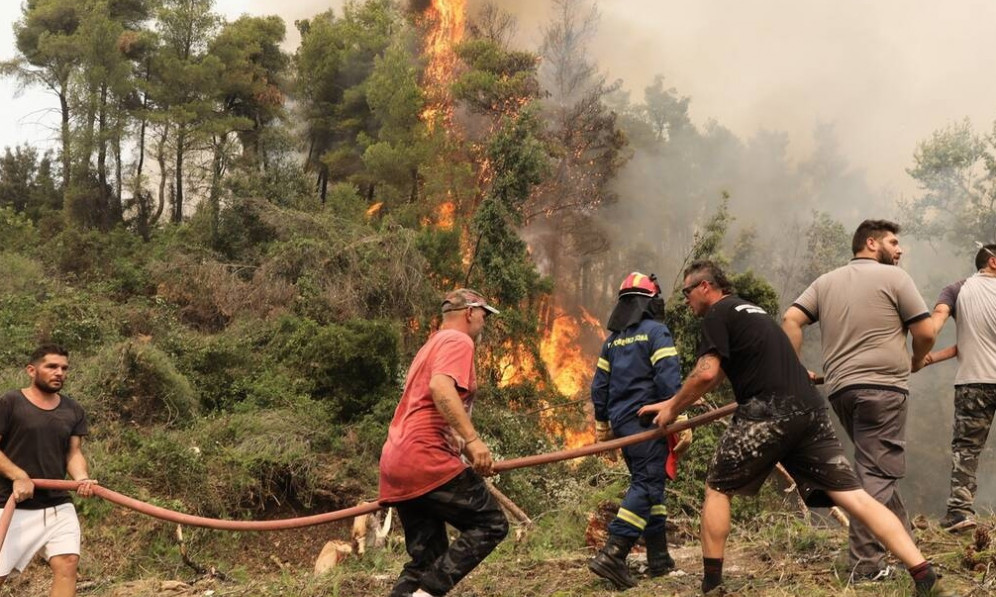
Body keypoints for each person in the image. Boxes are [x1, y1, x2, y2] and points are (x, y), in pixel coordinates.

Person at [638, 260, 947, 596]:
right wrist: (673, 402)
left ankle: (712, 584)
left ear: (705, 288)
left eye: (686, 292)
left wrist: (670, 408)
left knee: (716, 488)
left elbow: (707, 372)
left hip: (770, 407)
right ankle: (923, 573)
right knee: (854, 495)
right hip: (809, 408)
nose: (686, 300)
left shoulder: (717, 313)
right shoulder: (751, 312)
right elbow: (721, 372)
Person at [781, 219, 935, 581]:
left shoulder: (825, 282)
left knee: (874, 467)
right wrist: (914, 359)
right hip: (883, 390)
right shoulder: (896, 279)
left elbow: (791, 319)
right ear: (870, 243)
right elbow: (926, 331)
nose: (899, 250)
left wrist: (796, 367)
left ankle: (910, 554)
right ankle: (866, 565)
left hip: (842, 391)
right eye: (893, 242)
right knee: (875, 474)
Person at [378, 289, 509, 597]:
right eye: (484, 315)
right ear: (469, 313)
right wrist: (475, 442)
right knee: (491, 524)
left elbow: (435, 409)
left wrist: (468, 451)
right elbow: (440, 389)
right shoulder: (458, 341)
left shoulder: (430, 345)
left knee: (427, 560)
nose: (484, 322)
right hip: (427, 458)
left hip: (398, 462)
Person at [587, 272, 686, 589]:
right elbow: (668, 378)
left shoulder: (612, 342)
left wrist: (603, 425)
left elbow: (599, 386)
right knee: (647, 484)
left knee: (650, 486)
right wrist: (678, 416)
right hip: (650, 421)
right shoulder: (657, 332)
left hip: (623, 425)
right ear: (649, 303)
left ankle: (658, 560)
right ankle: (613, 555)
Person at [0, 344, 98, 597]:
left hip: (57, 503)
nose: (59, 372)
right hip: (11, 504)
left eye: (64, 368)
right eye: (52, 366)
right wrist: (19, 476)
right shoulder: (10, 402)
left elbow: (73, 452)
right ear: (32, 370)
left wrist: (82, 478)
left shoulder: (73, 410)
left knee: (67, 562)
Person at [921, 243, 996, 533]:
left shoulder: (955, 290)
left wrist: (924, 354)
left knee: (966, 449)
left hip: (973, 382)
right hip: (975, 377)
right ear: (992, 261)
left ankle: (959, 513)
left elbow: (937, 323)